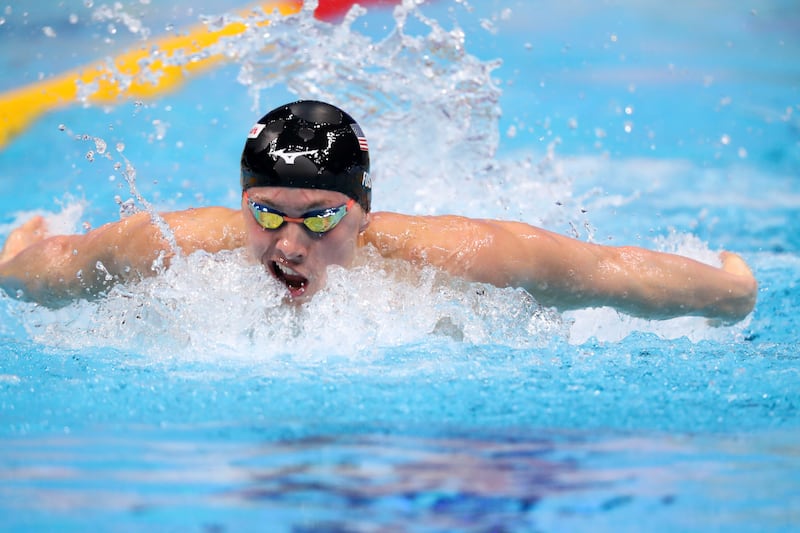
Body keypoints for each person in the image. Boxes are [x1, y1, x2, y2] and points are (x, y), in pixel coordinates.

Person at [0, 100, 757, 322]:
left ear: (365, 212)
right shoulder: (176, 245)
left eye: (321, 217)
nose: (287, 245)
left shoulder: (461, 254)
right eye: (266, 214)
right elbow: (58, 268)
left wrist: (730, 291)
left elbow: (609, 274)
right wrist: (17, 251)